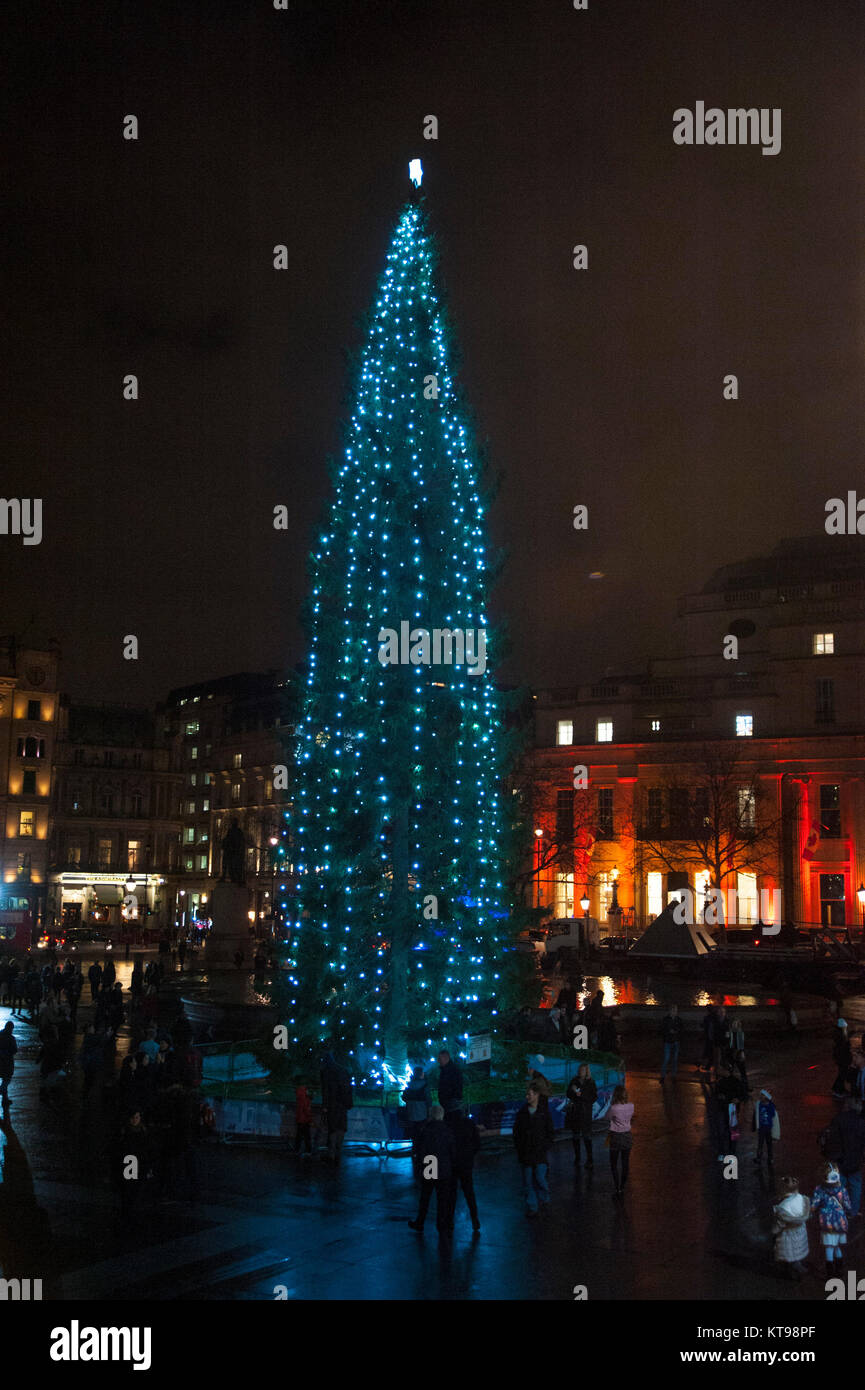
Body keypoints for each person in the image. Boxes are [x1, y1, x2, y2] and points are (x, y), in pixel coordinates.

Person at [408, 1104, 456, 1236]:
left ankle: (420, 1222)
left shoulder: (426, 1130)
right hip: (444, 1167)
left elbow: (420, 1149)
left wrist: (419, 1166)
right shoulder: (447, 1130)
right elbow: (452, 1150)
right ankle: (441, 1224)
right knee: (442, 1198)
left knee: (425, 1196)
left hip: (430, 1164)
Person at [513, 1082, 554, 1217]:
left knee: (540, 1177)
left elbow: (549, 1131)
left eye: (529, 1094)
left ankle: (544, 1198)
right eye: (527, 1094)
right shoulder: (522, 1113)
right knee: (528, 1181)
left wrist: (546, 1145)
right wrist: (520, 1148)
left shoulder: (543, 1112)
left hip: (539, 1151)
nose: (527, 1097)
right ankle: (533, 1206)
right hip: (527, 1152)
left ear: (536, 1095)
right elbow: (517, 1132)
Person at [824, 1097, 865, 1217]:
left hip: (839, 1158)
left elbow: (831, 1138)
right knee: (855, 1186)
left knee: (838, 1185)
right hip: (855, 1160)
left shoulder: (838, 1119)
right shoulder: (861, 1122)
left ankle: (837, 1208)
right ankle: (853, 1210)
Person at [811, 1163, 852, 1280]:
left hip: (827, 1223)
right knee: (837, 1246)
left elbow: (813, 1205)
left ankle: (830, 1273)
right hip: (839, 1222)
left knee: (829, 1247)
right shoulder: (842, 1190)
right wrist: (848, 1213)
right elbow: (848, 1205)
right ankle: (840, 1269)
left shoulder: (820, 1190)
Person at [772, 1176, 810, 1280]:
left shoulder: (783, 1207)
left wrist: (774, 1231)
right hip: (800, 1232)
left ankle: (792, 1271)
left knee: (789, 1253)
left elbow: (779, 1225)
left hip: (788, 1236)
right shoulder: (802, 1199)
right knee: (797, 1250)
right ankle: (798, 1266)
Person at [451, 1109, 482, 1233]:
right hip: (466, 1162)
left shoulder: (449, 1125)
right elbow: (477, 1143)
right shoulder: (469, 1124)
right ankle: (475, 1219)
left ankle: (449, 1221)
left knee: (451, 1193)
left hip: (453, 1163)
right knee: (469, 1192)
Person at [320, 1053, 353, 1162]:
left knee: (333, 1128)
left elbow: (326, 1090)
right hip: (343, 1104)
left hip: (332, 1104)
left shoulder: (326, 1072)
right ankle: (338, 1151)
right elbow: (349, 1088)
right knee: (341, 1127)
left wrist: (325, 1105)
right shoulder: (343, 1070)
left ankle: (331, 1152)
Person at [566, 1062, 597, 1166]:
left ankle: (590, 1158)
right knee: (575, 1135)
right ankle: (577, 1157)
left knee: (586, 1136)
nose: (580, 1072)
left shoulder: (590, 1082)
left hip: (585, 1112)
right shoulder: (574, 1081)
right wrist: (573, 1093)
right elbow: (568, 1093)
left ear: (586, 1071)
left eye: (582, 1070)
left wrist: (582, 1096)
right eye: (579, 1070)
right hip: (575, 1112)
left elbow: (594, 1096)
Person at [607, 1083, 634, 1199]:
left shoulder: (614, 1108)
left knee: (613, 1163)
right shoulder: (631, 1106)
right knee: (625, 1163)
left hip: (616, 1136)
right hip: (627, 1136)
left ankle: (617, 1186)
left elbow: (606, 1117)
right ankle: (622, 1186)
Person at [714, 1062, 745, 1159]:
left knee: (727, 1131)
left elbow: (743, 1095)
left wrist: (737, 1099)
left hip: (730, 1108)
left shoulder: (733, 1082)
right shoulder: (722, 1082)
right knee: (725, 1131)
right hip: (726, 1108)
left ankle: (728, 1152)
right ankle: (728, 1152)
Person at [401, 1066, 430, 1171]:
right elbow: (428, 1100)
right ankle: (421, 1153)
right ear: (421, 1074)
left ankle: (414, 1152)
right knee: (422, 1134)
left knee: (414, 1135)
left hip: (411, 1113)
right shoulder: (425, 1085)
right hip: (422, 1113)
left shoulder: (409, 1085)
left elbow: (403, 1097)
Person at [751, 1089, 780, 1168]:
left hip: (768, 1128)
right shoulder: (759, 1104)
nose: (761, 1097)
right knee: (760, 1143)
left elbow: (773, 1115)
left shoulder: (770, 1105)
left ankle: (770, 1158)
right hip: (761, 1128)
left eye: (762, 1095)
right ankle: (759, 1157)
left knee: (768, 1143)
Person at [437, 1050, 463, 1123]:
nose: (438, 1061)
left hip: (451, 1101)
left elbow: (453, 1086)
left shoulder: (451, 1070)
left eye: (440, 1059)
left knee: (453, 1121)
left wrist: (447, 1097)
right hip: (449, 1101)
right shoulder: (447, 1070)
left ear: (446, 1058)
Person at [660, 1003, 682, 1081]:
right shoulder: (666, 1020)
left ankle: (673, 1075)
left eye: (675, 1010)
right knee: (667, 1058)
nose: (674, 1012)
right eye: (673, 1010)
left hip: (675, 1041)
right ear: (670, 1011)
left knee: (674, 1059)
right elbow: (662, 1030)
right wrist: (669, 1032)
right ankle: (663, 1076)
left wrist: (675, 1031)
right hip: (668, 1041)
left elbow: (681, 1029)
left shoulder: (678, 1019)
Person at [0, 1021, 17, 1113]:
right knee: (6, 1080)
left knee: (5, 1079)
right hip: (7, 1062)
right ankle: (2, 1094)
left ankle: (5, 1099)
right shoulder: (11, 1038)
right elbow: (14, 1050)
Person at [832, 1020, 852, 1097]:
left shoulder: (839, 1035)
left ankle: (840, 1089)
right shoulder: (841, 1037)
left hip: (841, 1058)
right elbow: (844, 1047)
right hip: (843, 1058)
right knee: (842, 1074)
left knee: (842, 1073)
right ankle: (837, 1090)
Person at [294, 1079, 313, 1156]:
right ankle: (308, 1150)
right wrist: (310, 1118)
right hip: (305, 1119)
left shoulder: (300, 1094)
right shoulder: (305, 1097)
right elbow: (306, 1108)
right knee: (307, 1135)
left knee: (299, 1135)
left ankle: (297, 1149)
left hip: (300, 1118)